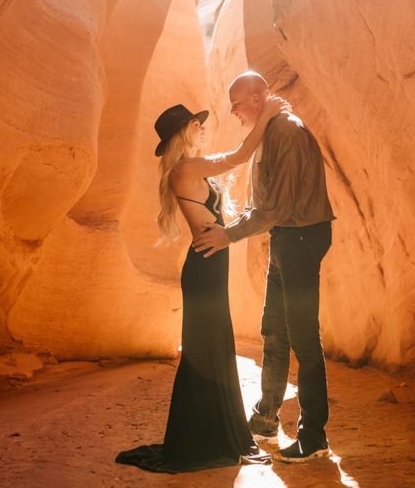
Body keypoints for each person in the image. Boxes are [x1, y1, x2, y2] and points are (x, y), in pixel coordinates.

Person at [115, 94, 288, 473]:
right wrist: (269, 114)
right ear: (183, 132)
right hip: (204, 268)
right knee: (205, 352)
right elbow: (240, 154)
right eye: (196, 123)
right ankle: (201, 439)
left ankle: (213, 433)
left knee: (214, 349)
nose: (202, 126)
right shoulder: (186, 167)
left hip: (209, 265)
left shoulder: (191, 168)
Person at [193, 71, 336, 463]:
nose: (233, 110)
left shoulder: (286, 132)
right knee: (274, 329)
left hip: (302, 238)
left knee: (303, 335)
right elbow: (271, 206)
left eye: (236, 102)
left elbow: (279, 207)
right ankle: (267, 416)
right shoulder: (269, 132)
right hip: (288, 237)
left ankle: (313, 433)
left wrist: (229, 234)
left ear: (258, 99)